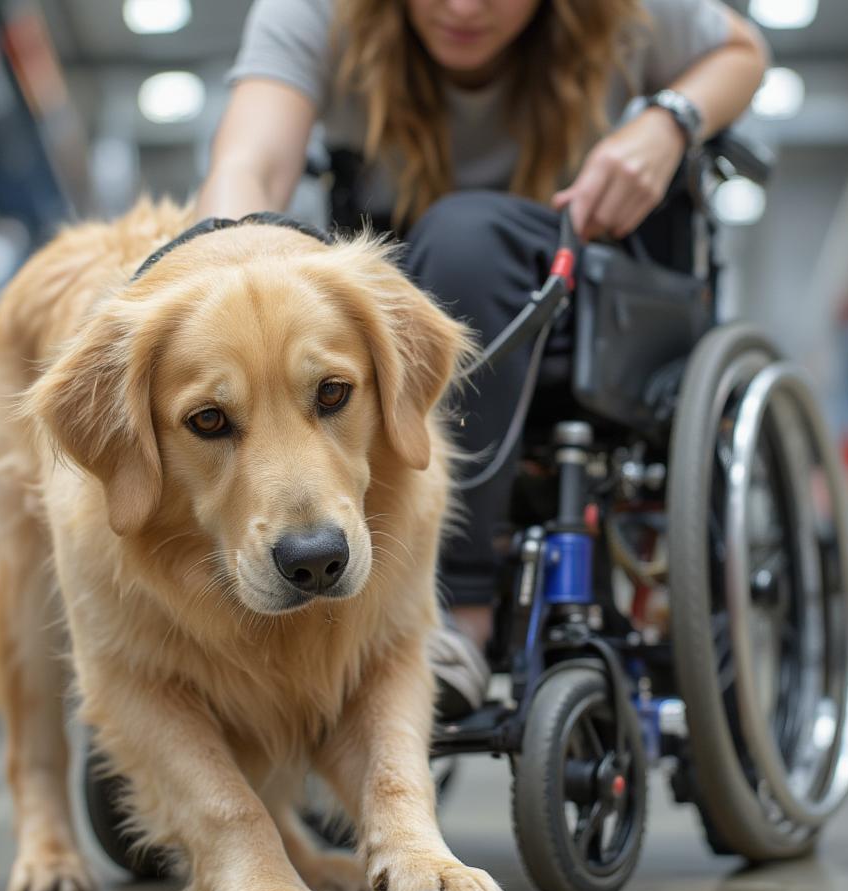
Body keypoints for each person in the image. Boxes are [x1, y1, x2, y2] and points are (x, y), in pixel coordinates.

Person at [196, 0, 769, 700]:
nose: (464, 8)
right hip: (401, 319)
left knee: (466, 237)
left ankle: (454, 614)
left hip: (588, 299)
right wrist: (216, 264)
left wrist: (669, 120)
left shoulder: (627, 14)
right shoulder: (320, 13)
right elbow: (247, 165)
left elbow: (743, 51)